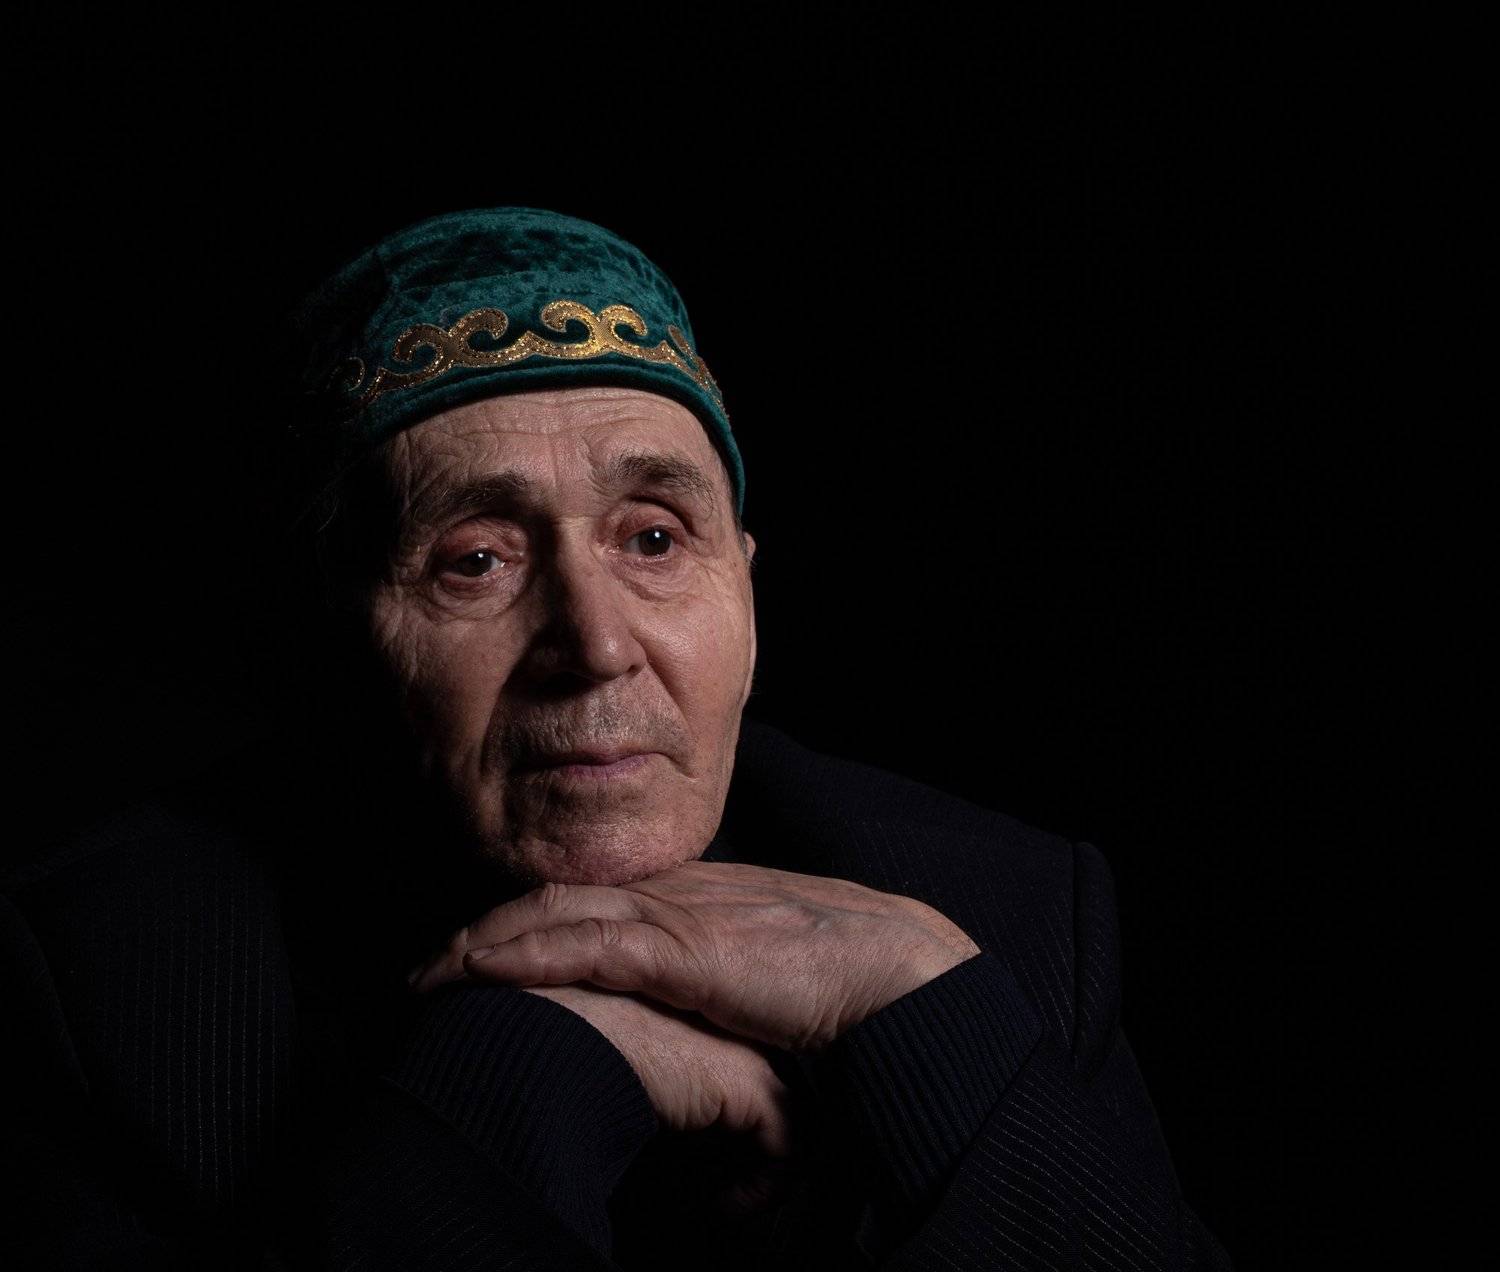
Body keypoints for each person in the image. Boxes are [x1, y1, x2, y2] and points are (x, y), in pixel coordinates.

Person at [1, 207, 1231, 1268]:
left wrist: (933, 1031)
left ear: (745, 587)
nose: (593, 645)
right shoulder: (107, 986)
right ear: (334, 638)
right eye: (476, 560)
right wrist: (519, 1072)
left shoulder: (1006, 920)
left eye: (653, 539)